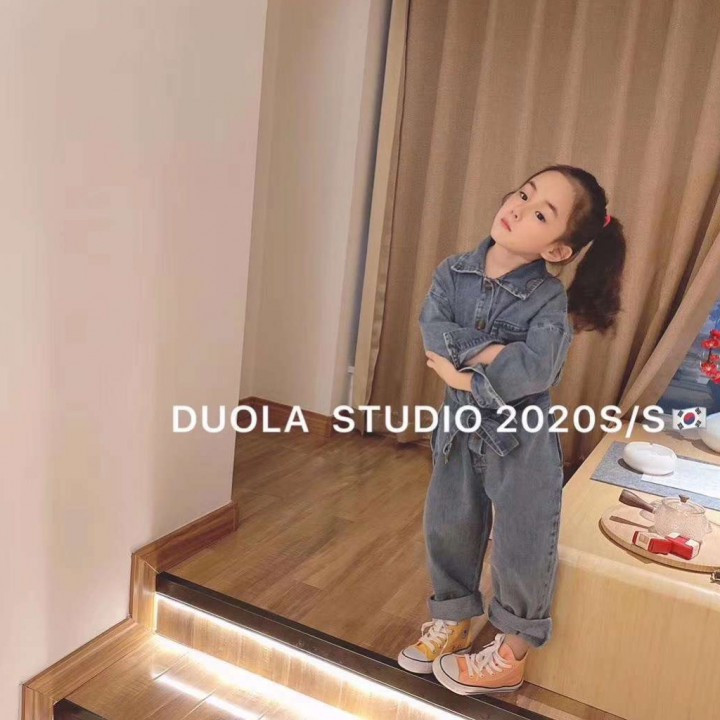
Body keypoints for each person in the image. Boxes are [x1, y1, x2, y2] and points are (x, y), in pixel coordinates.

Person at [396, 164, 627, 695]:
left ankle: (511, 652)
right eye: (525, 194)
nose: (519, 209)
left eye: (542, 214)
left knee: (524, 538)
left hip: (521, 437)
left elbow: (538, 369)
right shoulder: (453, 272)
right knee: (449, 523)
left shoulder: (548, 299)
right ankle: (454, 619)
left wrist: (463, 374)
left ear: (557, 249)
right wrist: (494, 355)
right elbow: (434, 333)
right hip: (459, 427)